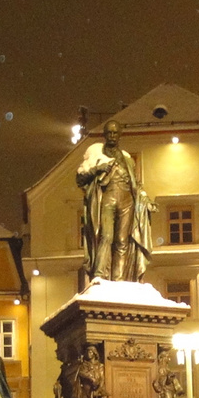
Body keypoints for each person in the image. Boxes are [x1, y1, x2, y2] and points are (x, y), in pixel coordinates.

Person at [76, 120, 155, 281]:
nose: (112, 136)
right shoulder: (96, 156)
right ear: (105, 135)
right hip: (107, 198)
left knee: (122, 241)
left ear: (120, 135)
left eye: (115, 133)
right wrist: (97, 169)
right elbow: (80, 179)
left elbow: (136, 184)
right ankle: (99, 275)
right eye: (109, 133)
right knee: (105, 236)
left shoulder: (127, 159)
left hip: (127, 201)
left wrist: (146, 199)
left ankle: (119, 279)